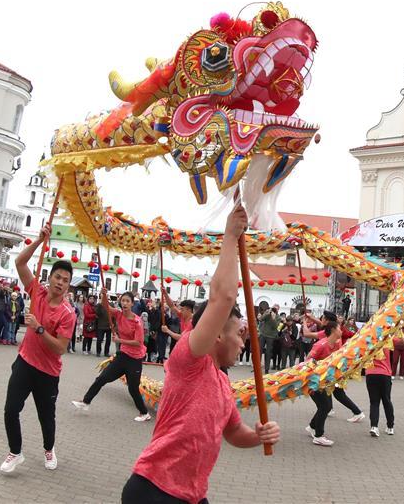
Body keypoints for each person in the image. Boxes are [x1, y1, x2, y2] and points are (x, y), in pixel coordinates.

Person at [122, 205, 280, 503]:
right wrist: (231, 237)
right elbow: (223, 296)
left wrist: (259, 435)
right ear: (217, 333)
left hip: (193, 496)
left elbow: (234, 433)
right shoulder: (190, 360)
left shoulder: (222, 385)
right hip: (153, 490)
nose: (243, 344)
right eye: (238, 334)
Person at [0, 223, 76, 474]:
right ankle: (15, 452)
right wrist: (38, 242)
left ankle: (49, 448)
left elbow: (61, 349)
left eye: (65, 280)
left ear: (68, 286)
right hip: (24, 362)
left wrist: (40, 328)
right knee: (11, 410)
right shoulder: (38, 293)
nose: (60, 282)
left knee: (46, 418)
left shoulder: (68, 314)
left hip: (48, 373)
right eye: (57, 277)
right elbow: (20, 264)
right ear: (50, 277)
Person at [72, 291, 151, 421]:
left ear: (132, 303)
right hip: (122, 356)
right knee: (101, 378)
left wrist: (120, 341)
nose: (124, 303)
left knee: (133, 389)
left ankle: (144, 413)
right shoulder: (119, 314)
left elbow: (138, 342)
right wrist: (104, 295)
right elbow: (105, 306)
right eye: (123, 301)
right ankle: (85, 402)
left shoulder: (137, 321)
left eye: (127, 301)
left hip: (135, 359)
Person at [305, 322, 343, 446]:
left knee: (325, 406)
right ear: (333, 330)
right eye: (339, 328)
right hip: (313, 381)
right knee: (325, 407)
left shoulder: (336, 345)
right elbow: (308, 362)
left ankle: (312, 427)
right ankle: (318, 435)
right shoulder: (320, 345)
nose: (341, 330)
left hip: (325, 382)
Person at [366, 347, 395, 437]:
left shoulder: (367, 340)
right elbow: (402, 341)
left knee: (374, 402)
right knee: (386, 400)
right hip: (384, 373)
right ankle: (390, 427)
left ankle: (374, 427)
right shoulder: (386, 339)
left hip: (371, 373)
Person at [258, 305, 281, 374]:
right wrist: (267, 313)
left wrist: (273, 318)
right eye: (273, 308)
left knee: (268, 353)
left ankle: (266, 369)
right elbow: (261, 319)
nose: (274, 310)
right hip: (263, 334)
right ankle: (257, 367)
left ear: (278, 310)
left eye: (276, 309)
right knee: (259, 350)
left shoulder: (278, 317)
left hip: (270, 336)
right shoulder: (267, 313)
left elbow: (275, 327)